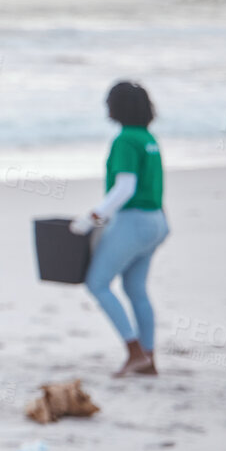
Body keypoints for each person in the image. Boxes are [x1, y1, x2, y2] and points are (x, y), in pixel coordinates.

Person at [70, 81, 167, 378]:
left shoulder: (124, 140)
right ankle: (148, 357)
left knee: (97, 284)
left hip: (133, 220)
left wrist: (93, 217)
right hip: (157, 220)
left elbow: (125, 187)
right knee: (135, 289)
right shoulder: (147, 138)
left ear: (118, 107)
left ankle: (135, 351)